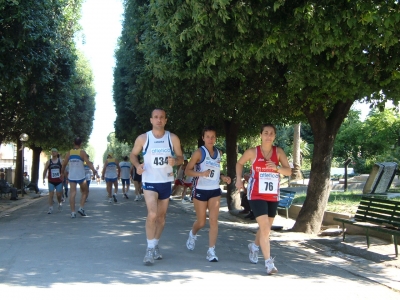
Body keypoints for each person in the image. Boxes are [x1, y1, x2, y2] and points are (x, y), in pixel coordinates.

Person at [235, 124, 291, 275]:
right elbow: (239, 163)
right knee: (266, 228)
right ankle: (269, 263)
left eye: (271, 133)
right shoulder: (253, 152)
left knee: (265, 227)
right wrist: (239, 179)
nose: (268, 136)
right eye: (266, 133)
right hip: (256, 194)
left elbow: (288, 171)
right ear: (261, 135)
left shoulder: (278, 152)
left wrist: (277, 168)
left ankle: (254, 246)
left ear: (274, 136)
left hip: (272, 195)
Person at [130, 108, 183, 265]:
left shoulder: (172, 138)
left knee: (161, 217)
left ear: (165, 120)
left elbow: (181, 158)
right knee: (152, 214)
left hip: (165, 181)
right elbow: (133, 154)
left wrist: (176, 160)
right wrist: (137, 165)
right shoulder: (143, 138)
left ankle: (155, 244)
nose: (159, 120)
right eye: (156, 117)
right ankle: (149, 249)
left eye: (162, 117)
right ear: (151, 120)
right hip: (150, 181)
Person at [184, 126, 231, 262]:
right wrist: (200, 174)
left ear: (215, 138)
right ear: (203, 138)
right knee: (201, 221)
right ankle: (192, 234)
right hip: (200, 190)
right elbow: (187, 171)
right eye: (208, 137)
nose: (210, 139)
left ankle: (211, 251)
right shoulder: (199, 153)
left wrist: (223, 177)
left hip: (214, 190)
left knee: (214, 221)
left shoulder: (219, 153)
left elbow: (216, 171)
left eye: (213, 137)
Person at [61, 137, 97, 218]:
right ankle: (81, 207)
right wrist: (94, 170)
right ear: (81, 144)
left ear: (73, 143)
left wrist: (62, 173)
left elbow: (64, 164)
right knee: (85, 191)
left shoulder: (69, 153)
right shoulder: (82, 152)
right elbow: (88, 162)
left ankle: (73, 212)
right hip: (80, 176)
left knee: (72, 193)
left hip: (72, 176)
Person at [42, 148, 64, 214]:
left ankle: (60, 203)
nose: (53, 153)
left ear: (57, 153)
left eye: (55, 152)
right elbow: (45, 170)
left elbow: (63, 170)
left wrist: (64, 177)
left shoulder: (60, 161)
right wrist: (43, 178)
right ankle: (50, 208)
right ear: (51, 153)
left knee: (58, 194)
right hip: (51, 180)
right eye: (52, 152)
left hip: (59, 181)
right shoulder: (48, 162)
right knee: (51, 194)